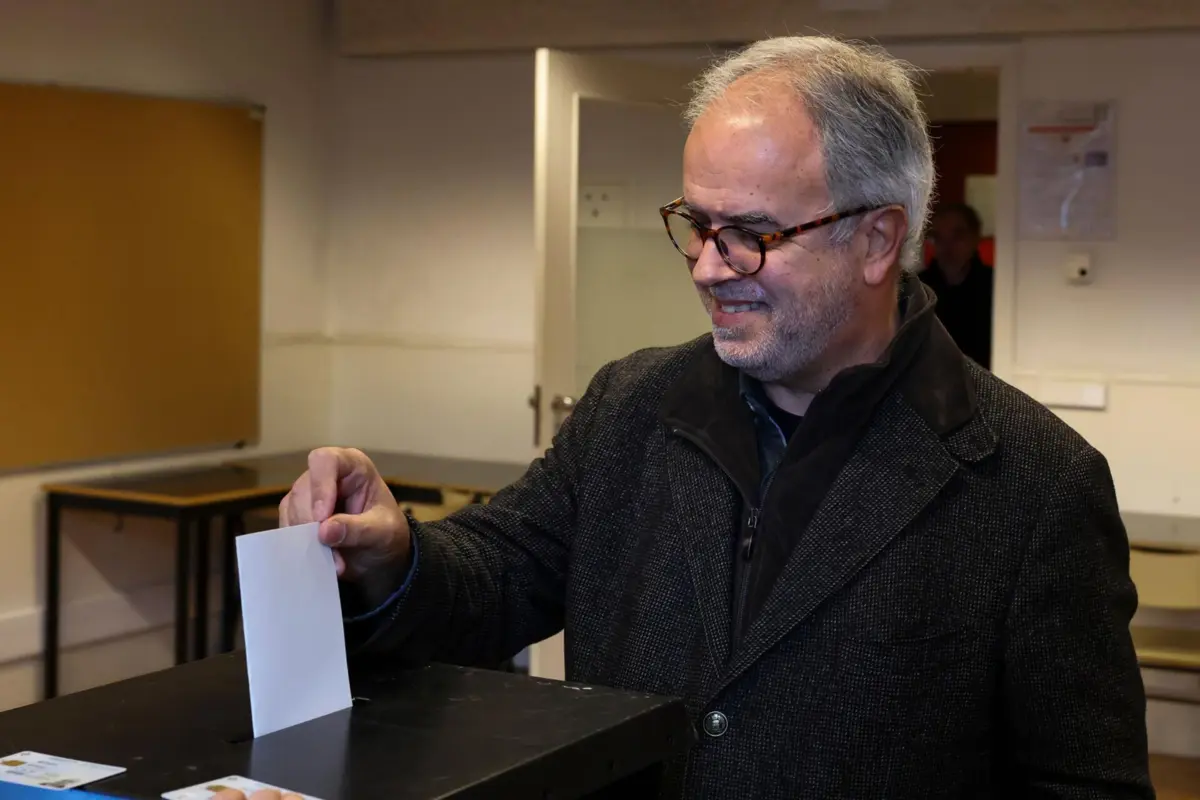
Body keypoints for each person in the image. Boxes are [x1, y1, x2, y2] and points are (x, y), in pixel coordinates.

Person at [249, 36, 1150, 800]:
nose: (709, 268)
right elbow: (499, 572)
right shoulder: (631, 407)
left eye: (751, 233)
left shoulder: (1032, 483)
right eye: (696, 222)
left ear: (878, 239)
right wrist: (395, 551)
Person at [920, 202, 994, 368]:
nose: (947, 247)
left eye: (957, 236)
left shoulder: (995, 287)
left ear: (975, 237)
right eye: (938, 238)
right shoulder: (916, 289)